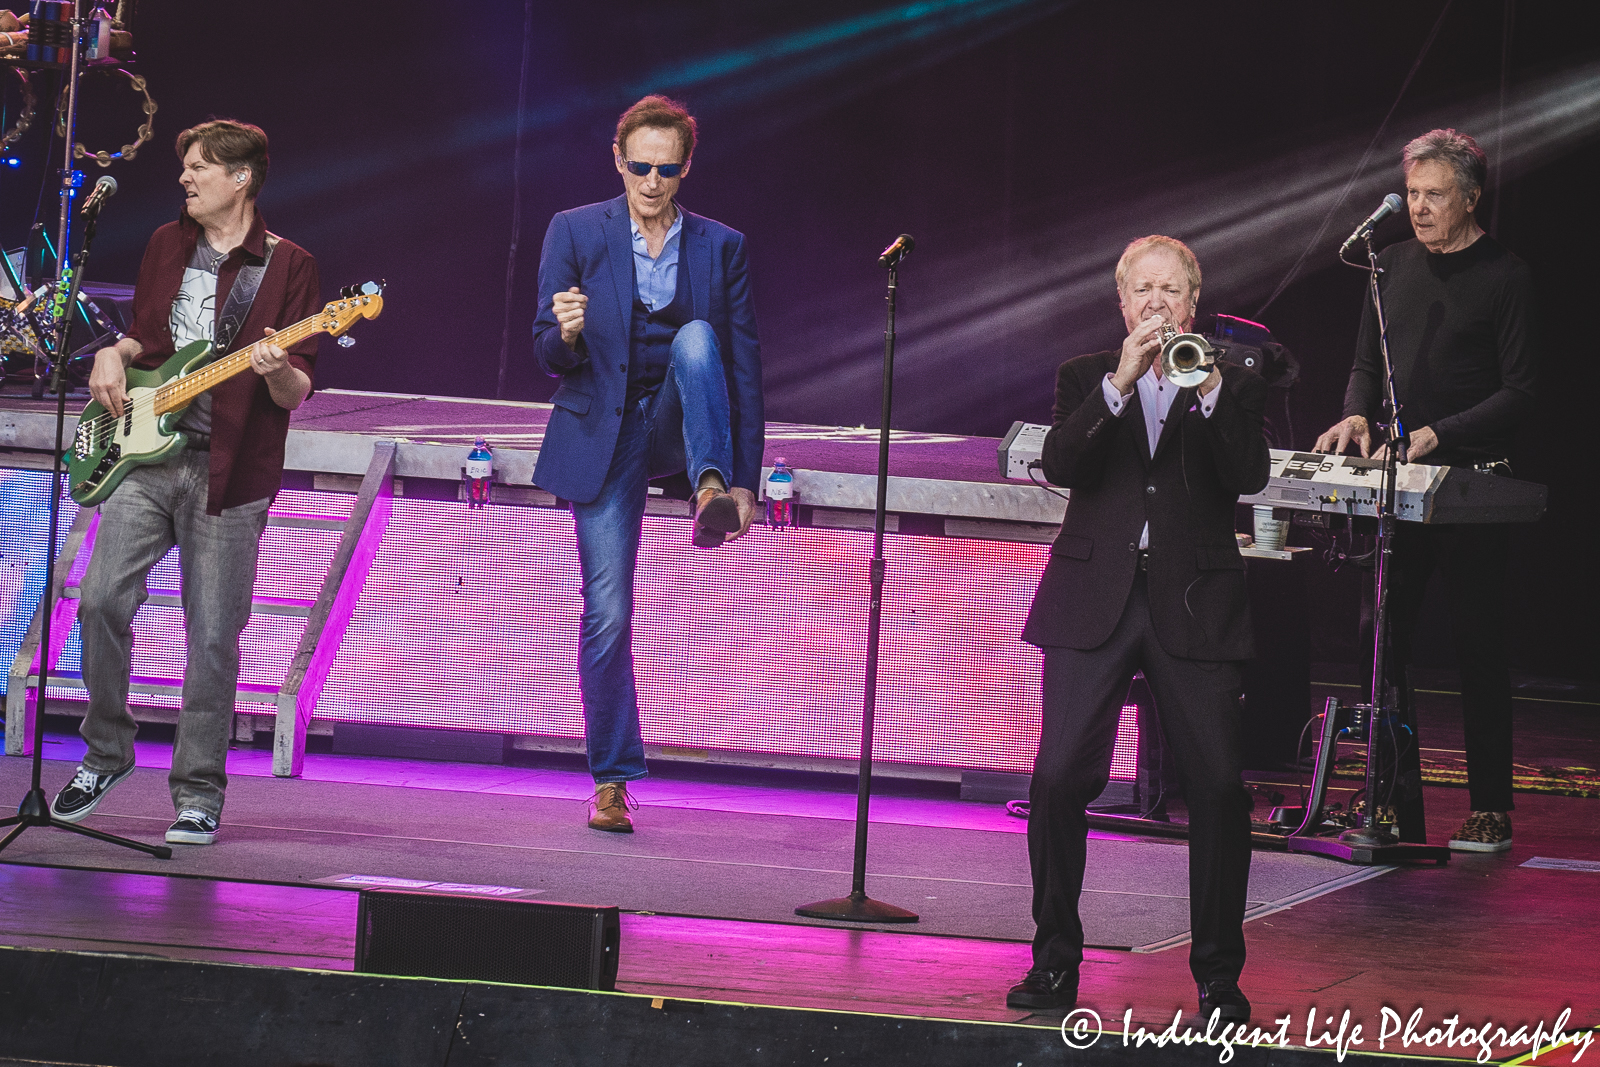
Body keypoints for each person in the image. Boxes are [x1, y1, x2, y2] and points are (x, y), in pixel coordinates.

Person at [1010, 236, 1270, 1020]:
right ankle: (1055, 960)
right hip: (1094, 599)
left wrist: (1215, 389)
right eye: (1141, 290)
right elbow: (1062, 463)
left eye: (1170, 290)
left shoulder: (1234, 376)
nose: (1155, 302)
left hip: (1194, 602)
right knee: (1057, 779)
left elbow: (1248, 474)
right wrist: (1120, 384)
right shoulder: (1086, 375)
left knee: (1221, 790)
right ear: (1122, 303)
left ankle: (1219, 976)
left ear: (1194, 302)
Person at [50, 120, 321, 846]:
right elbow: (149, 339)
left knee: (212, 637)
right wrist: (113, 350)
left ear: (242, 178)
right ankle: (105, 752)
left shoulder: (290, 267)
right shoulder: (166, 244)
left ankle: (198, 791)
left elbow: (297, 393)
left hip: (231, 469)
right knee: (100, 598)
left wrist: (277, 370)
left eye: (199, 167)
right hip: (146, 454)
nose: (185, 178)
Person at [530, 95, 764, 833]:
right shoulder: (574, 230)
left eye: (667, 168)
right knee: (607, 610)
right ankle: (611, 779)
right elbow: (546, 352)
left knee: (699, 337)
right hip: (601, 431)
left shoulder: (720, 246)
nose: (653, 181)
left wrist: (747, 476)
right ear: (618, 160)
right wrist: (565, 335)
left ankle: (711, 490)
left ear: (685, 167)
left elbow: (745, 367)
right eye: (640, 166)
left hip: (677, 422)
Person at [1314, 128, 1538, 853]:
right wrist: (1355, 411)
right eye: (1411, 193)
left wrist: (1439, 432)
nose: (1418, 207)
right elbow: (1363, 367)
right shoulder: (1388, 268)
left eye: (1434, 195)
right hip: (1398, 485)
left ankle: (1490, 807)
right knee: (1379, 639)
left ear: (1470, 197)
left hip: (1472, 485)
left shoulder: (1507, 275)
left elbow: (1521, 391)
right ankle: (1388, 797)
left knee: (1478, 642)